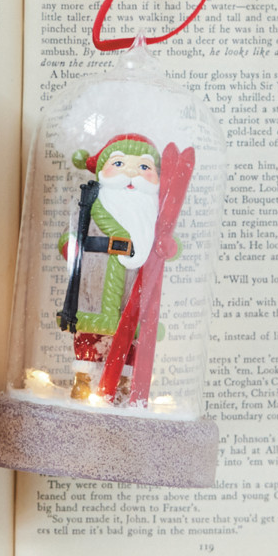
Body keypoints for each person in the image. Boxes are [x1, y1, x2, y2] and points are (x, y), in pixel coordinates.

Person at [60, 133, 162, 398]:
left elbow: (166, 247)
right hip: (93, 287)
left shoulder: (150, 216)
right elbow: (71, 235)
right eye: (119, 164)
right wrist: (70, 245)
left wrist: (168, 247)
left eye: (143, 166)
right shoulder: (92, 206)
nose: (131, 173)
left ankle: (124, 387)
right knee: (89, 338)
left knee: (129, 343)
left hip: (133, 294)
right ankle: (83, 381)